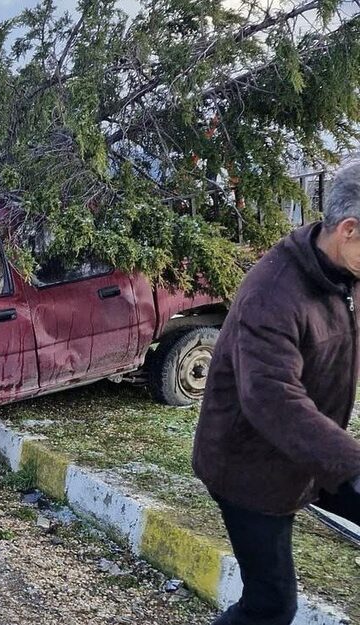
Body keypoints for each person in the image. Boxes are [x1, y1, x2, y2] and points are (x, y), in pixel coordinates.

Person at [193, 163, 360, 625]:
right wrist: (353, 464)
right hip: (249, 468)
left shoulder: (345, 272)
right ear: (348, 230)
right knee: (270, 605)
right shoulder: (273, 292)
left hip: (309, 452)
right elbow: (272, 397)